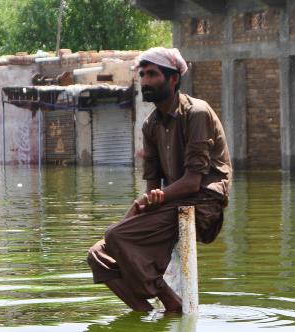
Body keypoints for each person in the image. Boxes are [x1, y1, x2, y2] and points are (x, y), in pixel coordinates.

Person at [87, 47, 232, 313]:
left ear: (173, 78)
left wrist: (156, 199)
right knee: (98, 255)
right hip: (171, 204)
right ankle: (147, 315)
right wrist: (142, 204)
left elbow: (191, 182)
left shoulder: (197, 112)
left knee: (115, 235)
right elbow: (153, 187)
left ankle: (169, 301)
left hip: (203, 203)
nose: (144, 81)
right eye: (142, 75)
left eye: (152, 74)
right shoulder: (150, 125)